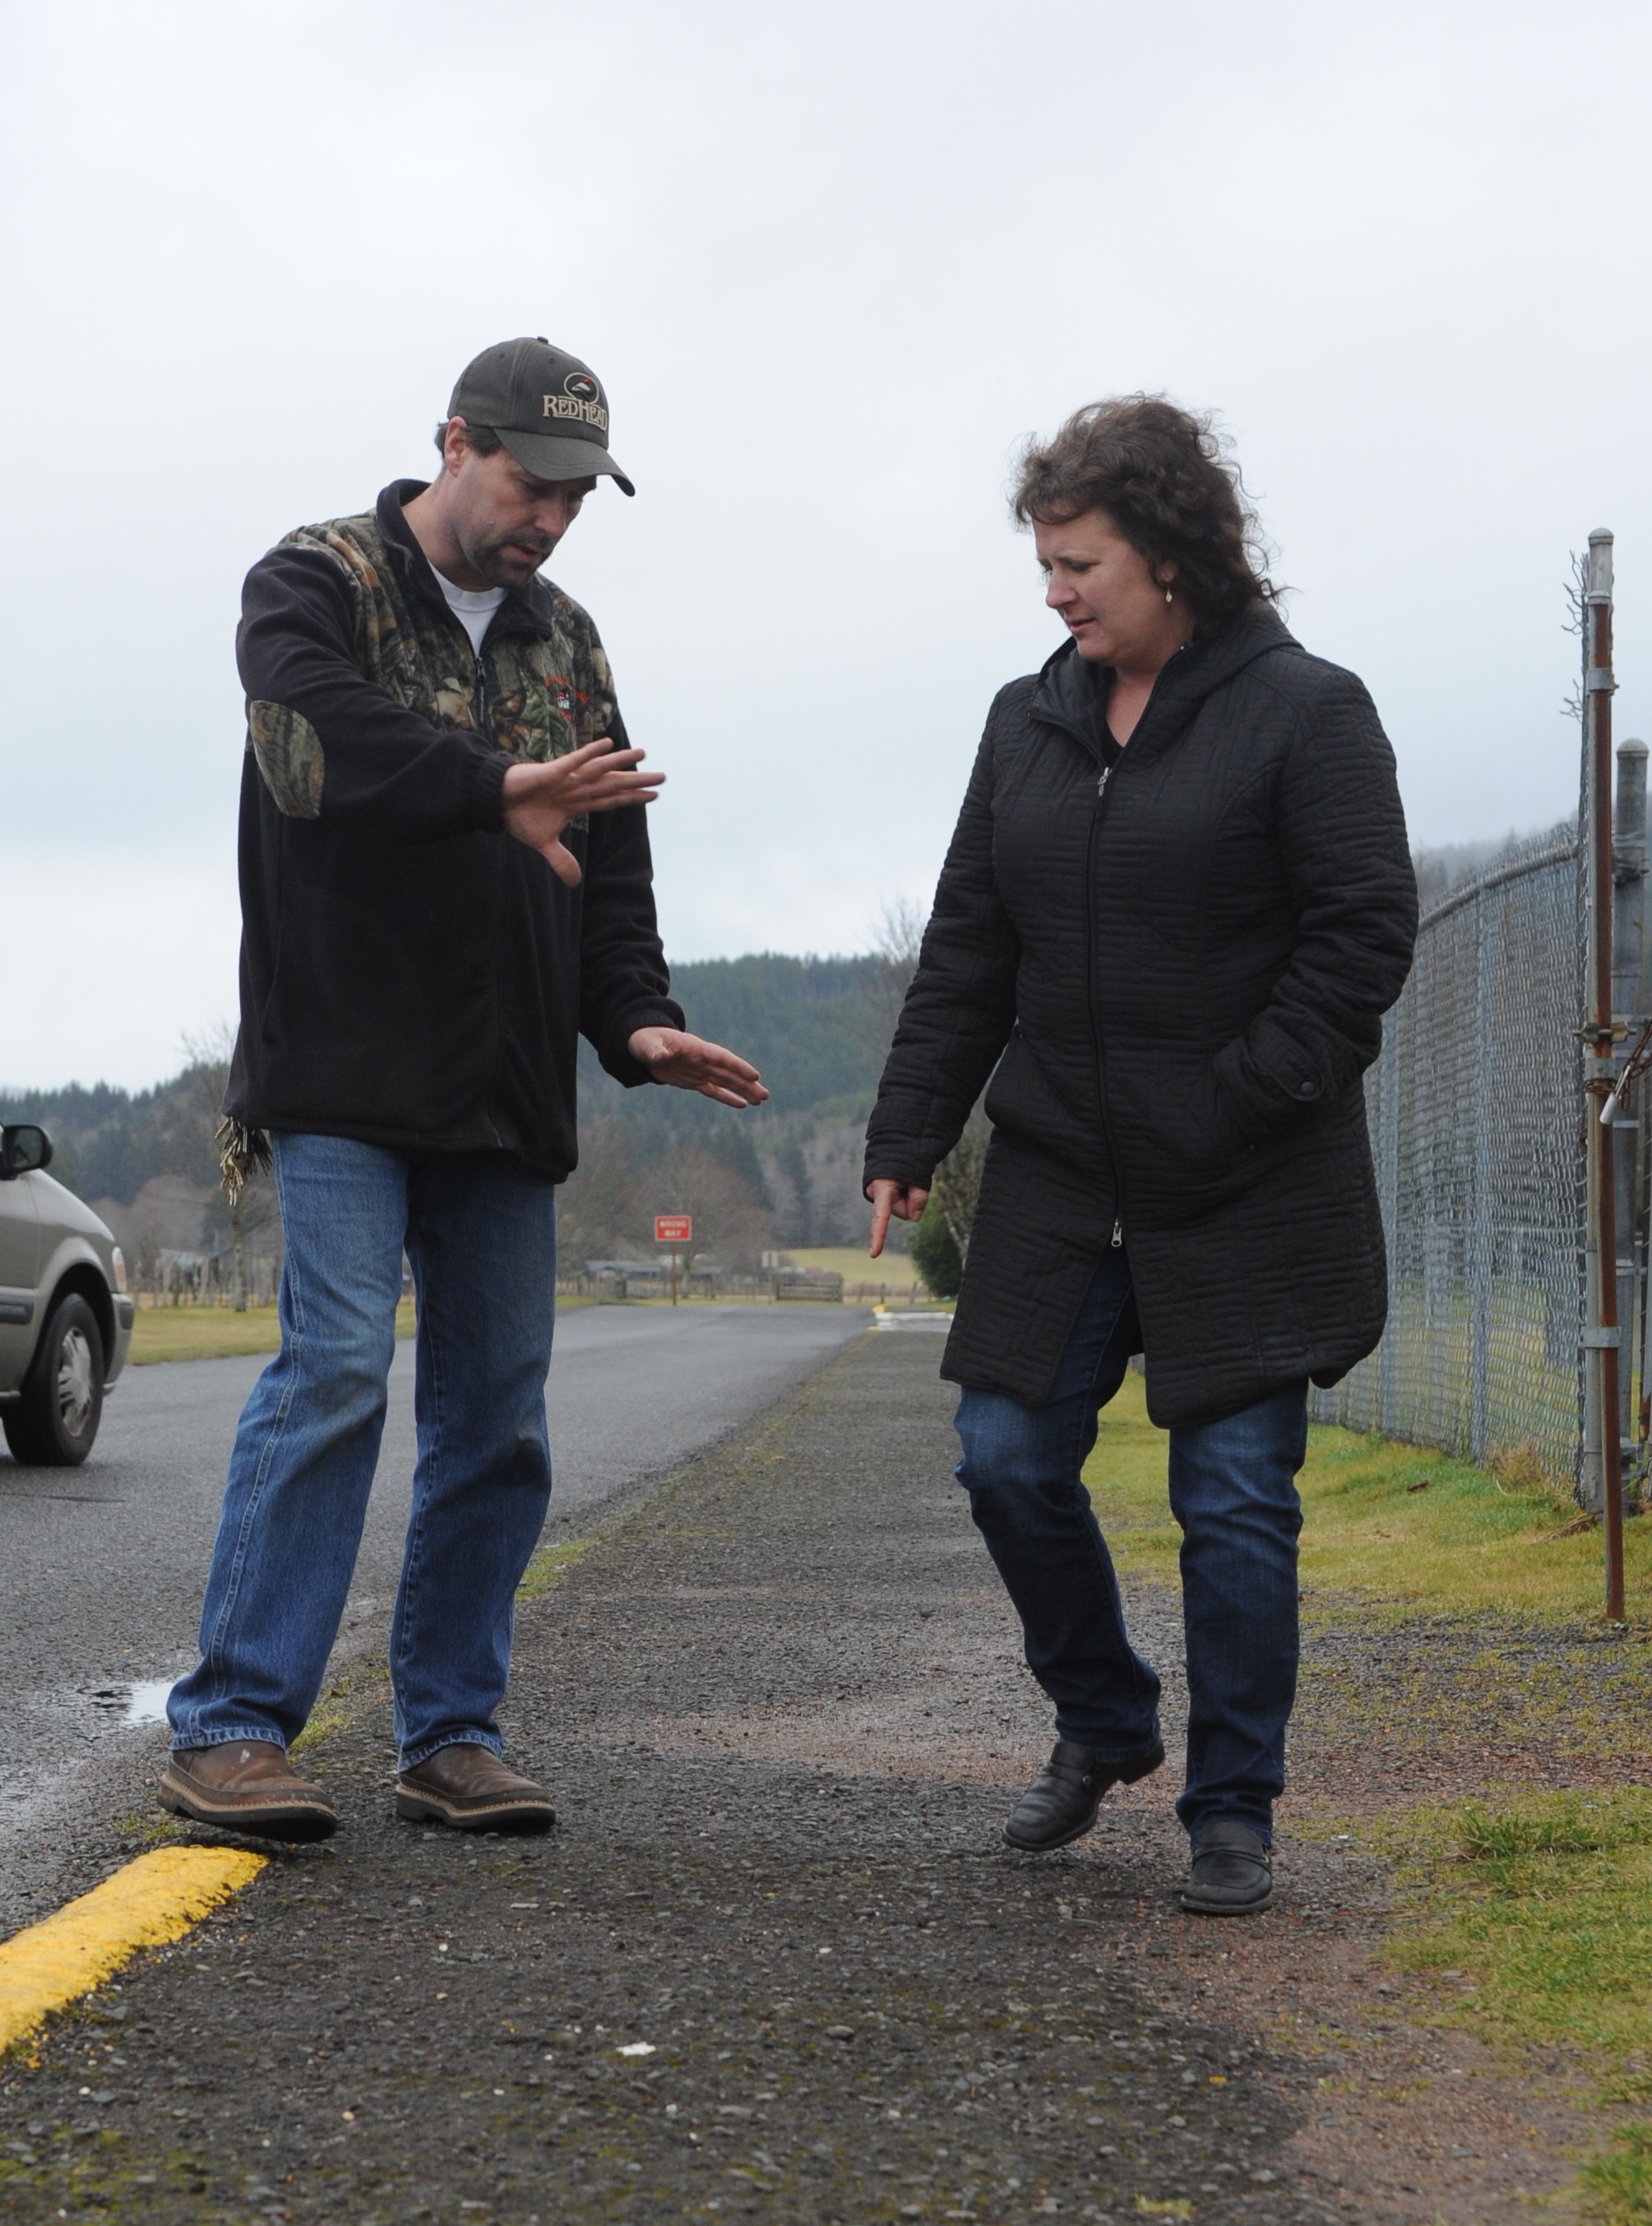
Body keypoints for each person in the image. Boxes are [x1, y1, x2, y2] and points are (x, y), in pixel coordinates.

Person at [161, 337, 766, 1845]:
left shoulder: (570, 644)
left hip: (503, 1088)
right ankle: (233, 1724)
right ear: (454, 441)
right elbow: (314, 742)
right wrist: (493, 789)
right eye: (530, 482)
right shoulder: (320, 580)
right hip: (345, 1069)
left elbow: (609, 869)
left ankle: (450, 1733)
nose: (550, 518)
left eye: (576, 497)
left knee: (498, 1417)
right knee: (339, 1371)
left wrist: (634, 1024)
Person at [864, 396, 1416, 1916]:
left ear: (1171, 554)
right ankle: (1106, 1716)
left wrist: (1239, 1093)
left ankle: (1229, 1807)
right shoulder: (1025, 719)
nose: (1053, 591)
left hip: (1246, 1172)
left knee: (1233, 1497)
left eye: (1077, 562)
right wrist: (909, 1131)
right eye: (1043, 563)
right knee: (1003, 1454)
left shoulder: (1305, 711)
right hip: (1058, 1168)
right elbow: (971, 944)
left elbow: (1361, 937)